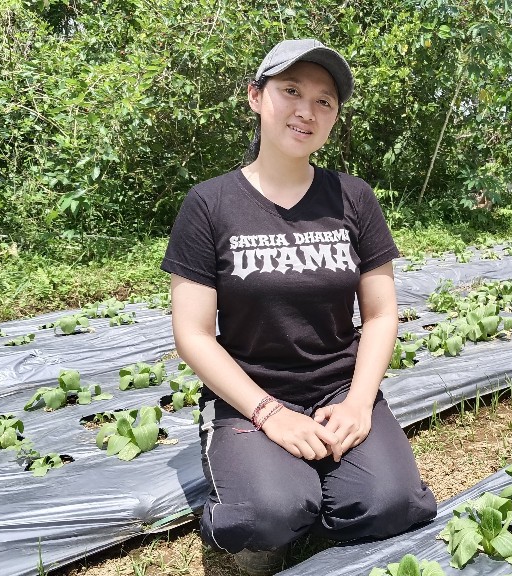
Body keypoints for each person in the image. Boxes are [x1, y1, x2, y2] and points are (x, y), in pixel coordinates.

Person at [162, 39, 437, 575]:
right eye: (291, 91)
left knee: (395, 504)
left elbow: (381, 315)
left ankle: (314, 491)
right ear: (255, 97)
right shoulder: (210, 205)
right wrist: (271, 415)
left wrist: (358, 404)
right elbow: (192, 334)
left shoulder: (352, 198)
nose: (306, 111)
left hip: (337, 387)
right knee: (266, 513)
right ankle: (277, 489)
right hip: (252, 394)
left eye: (324, 101)